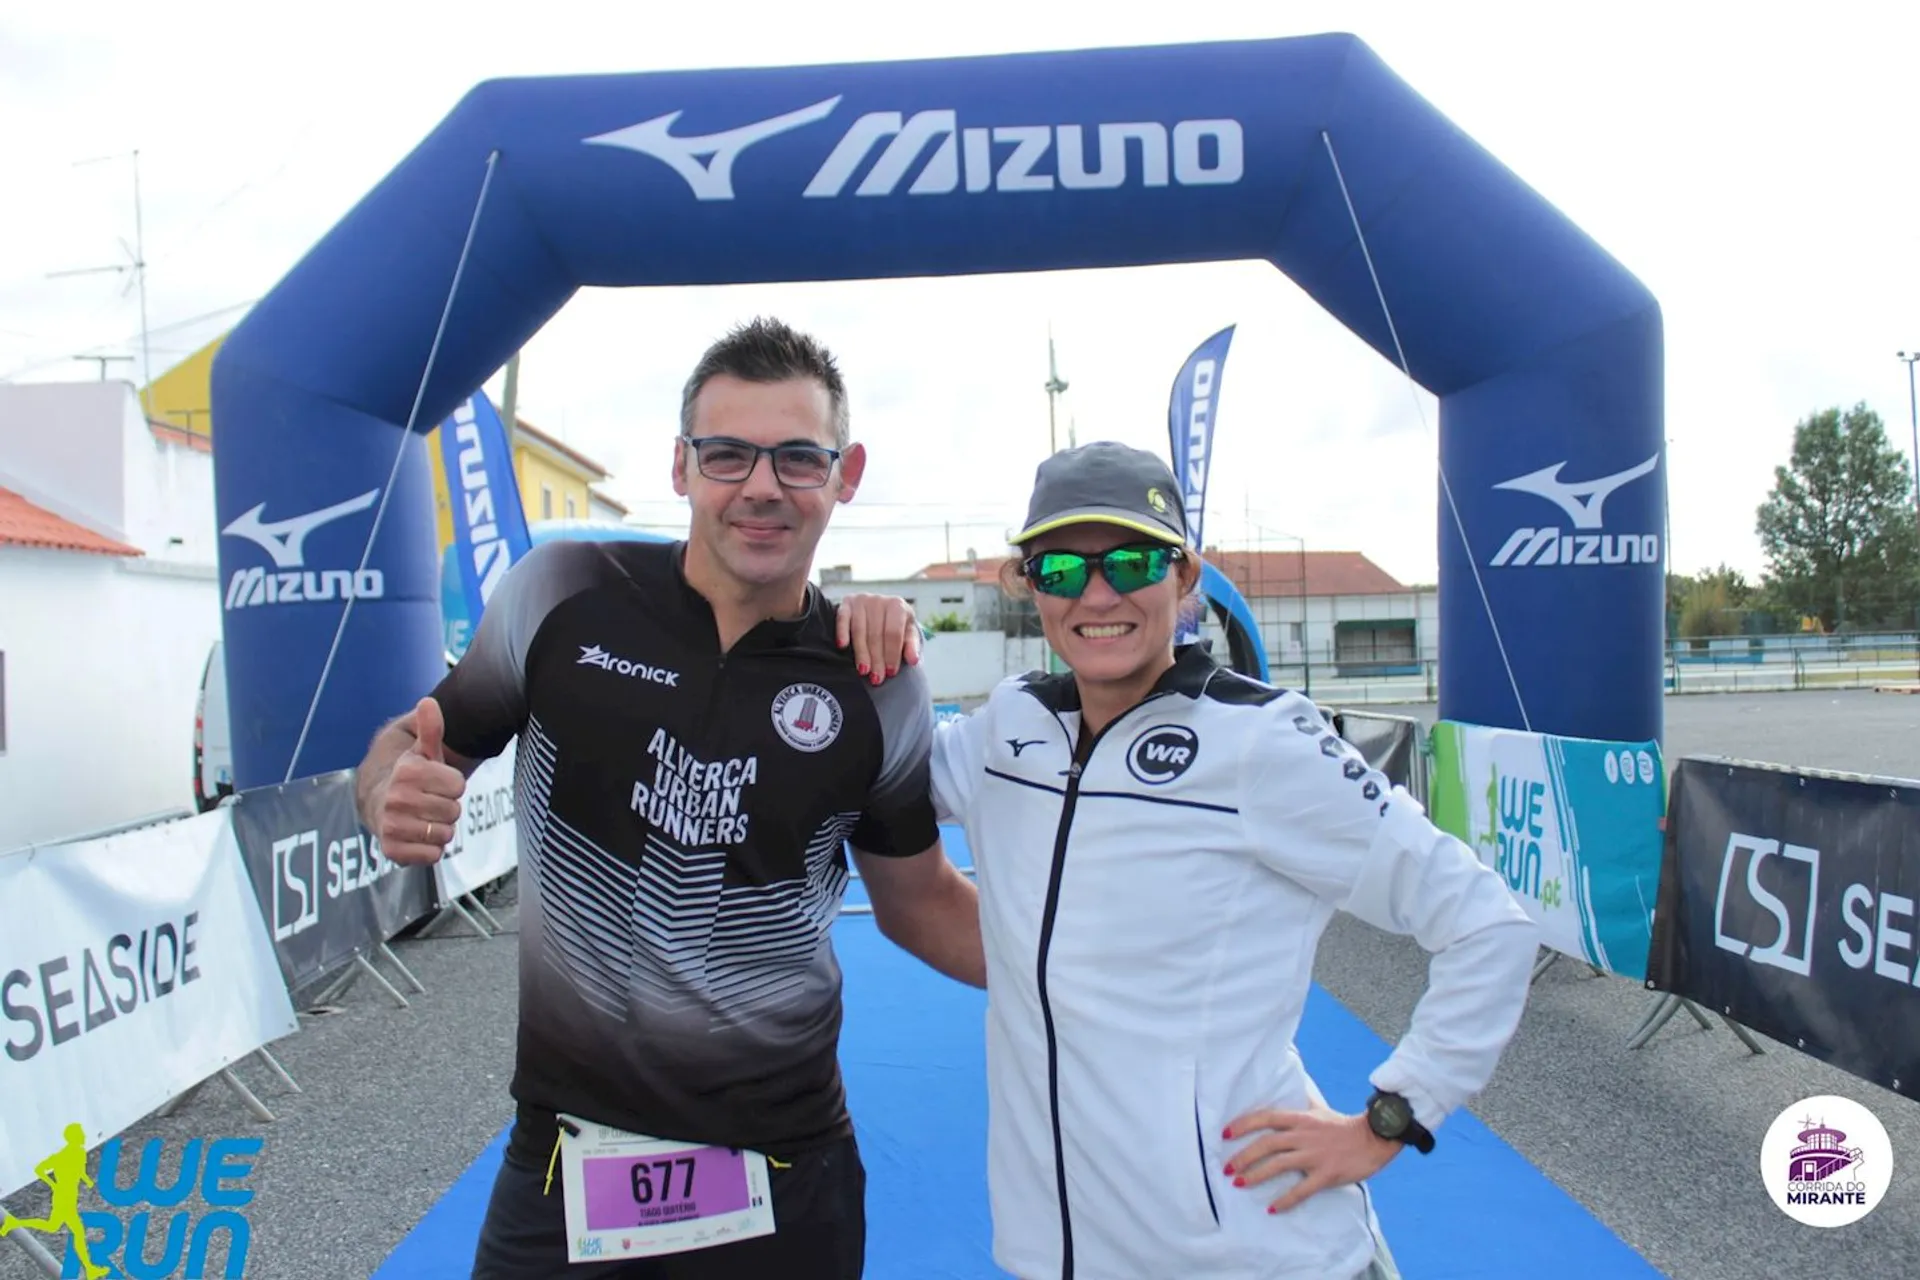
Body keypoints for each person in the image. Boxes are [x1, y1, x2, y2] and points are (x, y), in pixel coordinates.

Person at [353, 317, 982, 1279]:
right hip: (564, 1165)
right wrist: (386, 793)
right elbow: (411, 742)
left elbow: (922, 901)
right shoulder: (561, 592)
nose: (761, 486)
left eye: (798, 458)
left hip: (786, 1172)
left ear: (844, 474)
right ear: (681, 466)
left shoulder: (877, 676)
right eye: (728, 454)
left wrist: (1094, 971)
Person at [845, 441, 1538, 1280]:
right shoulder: (1008, 727)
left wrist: (1390, 1118)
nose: (1097, 593)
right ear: (1031, 588)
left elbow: (1486, 925)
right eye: (1060, 568)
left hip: (1253, 1254)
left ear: (1185, 579)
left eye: (1132, 561)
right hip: (1060, 1252)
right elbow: (861, 770)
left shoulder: (1261, 740)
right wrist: (868, 631)